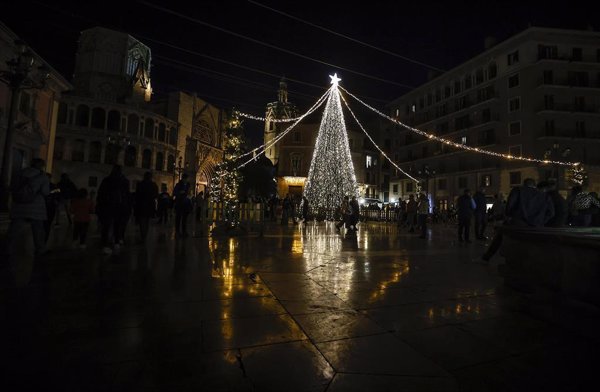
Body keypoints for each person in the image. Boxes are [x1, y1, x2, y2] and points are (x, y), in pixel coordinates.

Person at [482, 178, 554, 261]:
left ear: (524, 184)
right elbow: (551, 213)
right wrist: (540, 221)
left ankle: (487, 257)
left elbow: (509, 207)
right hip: (536, 225)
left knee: (500, 235)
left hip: (518, 223)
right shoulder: (544, 195)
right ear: (534, 185)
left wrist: (511, 217)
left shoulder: (518, 190)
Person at [6, 158, 50, 258]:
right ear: (41, 166)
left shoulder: (20, 173)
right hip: (36, 207)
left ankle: (7, 249)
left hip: (19, 205)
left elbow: (12, 187)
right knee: (38, 230)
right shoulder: (43, 177)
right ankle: (40, 249)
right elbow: (45, 192)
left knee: (13, 230)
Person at [96, 165, 131, 254]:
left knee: (107, 225)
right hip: (119, 206)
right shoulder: (124, 181)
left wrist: (100, 205)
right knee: (117, 225)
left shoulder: (107, 180)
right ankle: (116, 242)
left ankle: (106, 244)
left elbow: (101, 194)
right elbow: (127, 195)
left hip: (108, 205)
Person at [135, 171, 158, 242]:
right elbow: (156, 195)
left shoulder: (140, 184)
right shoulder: (154, 185)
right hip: (150, 205)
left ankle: (143, 235)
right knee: (147, 221)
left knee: (142, 220)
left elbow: (137, 195)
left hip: (141, 204)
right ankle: (144, 236)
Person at [44, 173, 60, 243]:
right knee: (47, 225)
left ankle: (42, 242)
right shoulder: (53, 186)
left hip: (47, 207)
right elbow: (58, 193)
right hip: (49, 207)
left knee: (45, 225)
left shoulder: (43, 185)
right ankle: (43, 243)